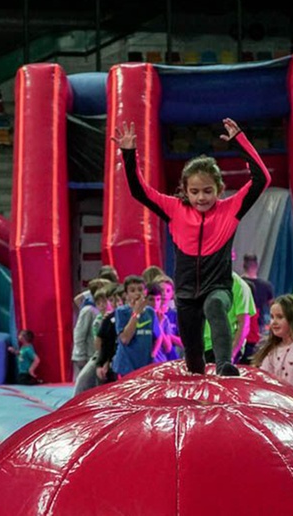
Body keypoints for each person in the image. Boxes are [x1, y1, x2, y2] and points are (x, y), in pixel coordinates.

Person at [114, 117, 270, 376]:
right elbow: (139, 191)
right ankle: (200, 382)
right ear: (185, 190)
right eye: (195, 191)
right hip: (186, 295)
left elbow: (261, 178)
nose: (201, 197)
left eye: (208, 191)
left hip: (218, 287)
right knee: (194, 361)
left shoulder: (231, 209)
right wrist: (129, 154)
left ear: (219, 190)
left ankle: (224, 365)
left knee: (215, 305)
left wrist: (240, 141)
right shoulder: (174, 209)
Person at [111, 275, 160, 377]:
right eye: (132, 291)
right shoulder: (121, 312)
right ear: (126, 295)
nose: (137, 293)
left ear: (145, 292)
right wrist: (136, 313)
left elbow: (158, 336)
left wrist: (153, 354)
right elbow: (125, 339)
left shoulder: (150, 312)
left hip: (145, 365)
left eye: (140, 289)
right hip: (127, 366)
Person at [203, 271, 254, 366]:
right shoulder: (201, 280)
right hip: (200, 347)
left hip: (222, 348)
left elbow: (244, 324)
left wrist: (231, 354)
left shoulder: (239, 285)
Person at [72, 278, 109, 379]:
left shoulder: (102, 311)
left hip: (96, 355)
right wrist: (80, 355)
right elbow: (79, 334)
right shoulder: (88, 310)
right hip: (88, 355)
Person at [241, 253, 274, 363]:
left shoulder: (239, 284)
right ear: (256, 265)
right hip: (258, 325)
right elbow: (272, 306)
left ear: (243, 264)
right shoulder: (266, 285)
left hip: (242, 322)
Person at [148, 279, 181, 363]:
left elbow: (169, 346)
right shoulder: (143, 316)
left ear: (173, 293)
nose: (164, 293)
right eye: (161, 290)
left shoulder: (167, 318)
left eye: (168, 290)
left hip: (166, 359)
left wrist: (166, 333)